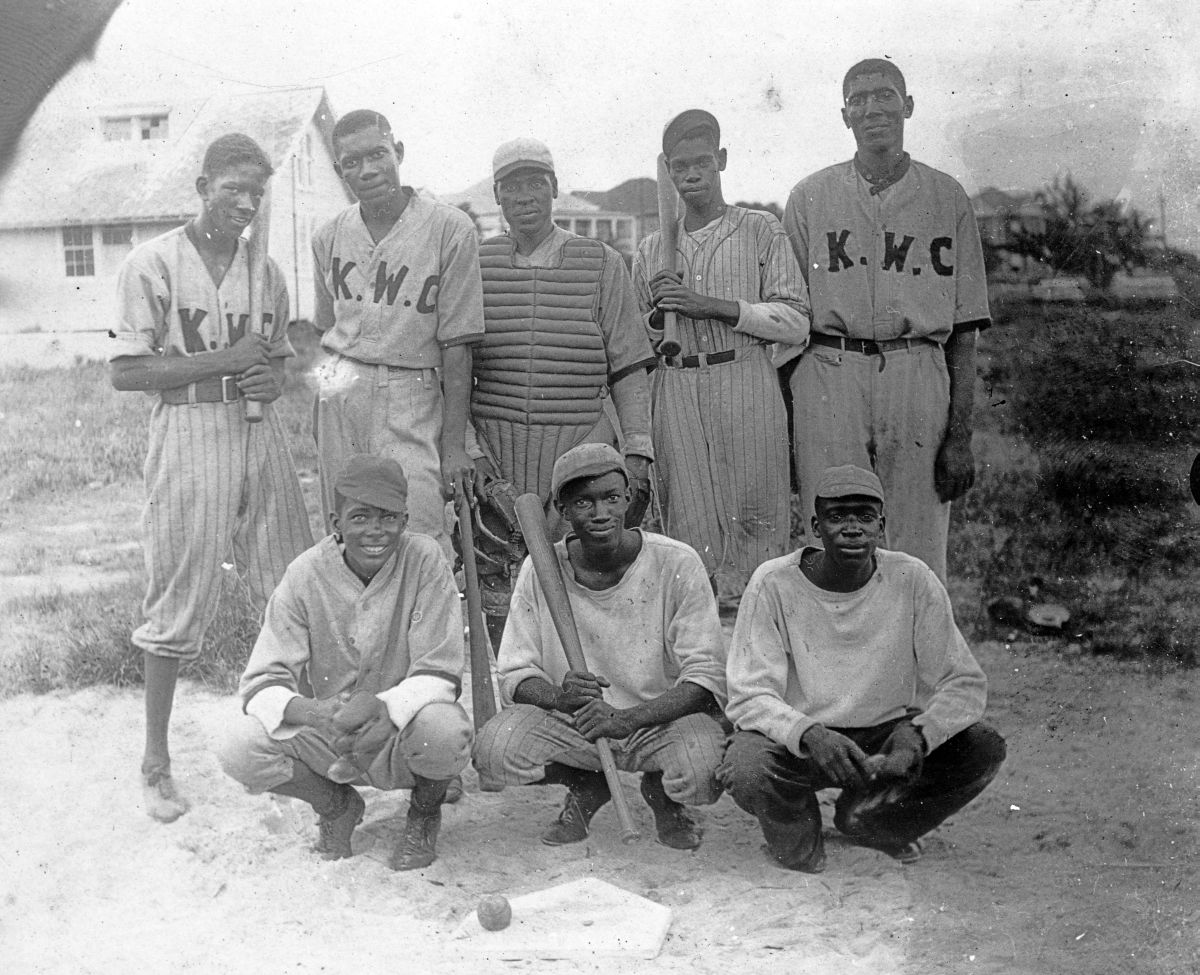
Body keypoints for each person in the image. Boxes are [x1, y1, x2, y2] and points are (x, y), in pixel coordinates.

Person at [109, 132, 313, 823]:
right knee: (176, 591)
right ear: (201, 188)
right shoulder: (153, 261)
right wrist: (225, 361)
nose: (245, 203)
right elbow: (127, 371)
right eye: (232, 188)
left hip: (259, 431)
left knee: (292, 583)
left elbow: (281, 367)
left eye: (256, 191)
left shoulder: (269, 271)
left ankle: (302, 739)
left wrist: (267, 375)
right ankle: (155, 762)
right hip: (189, 429)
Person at [719, 464, 1006, 873]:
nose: (852, 529)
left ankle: (872, 821)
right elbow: (748, 694)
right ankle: (798, 833)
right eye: (838, 517)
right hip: (802, 742)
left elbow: (964, 682)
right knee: (746, 766)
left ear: (881, 525)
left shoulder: (912, 578)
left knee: (981, 747)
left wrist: (917, 736)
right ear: (815, 527)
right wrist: (810, 733)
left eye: (865, 517)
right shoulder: (774, 583)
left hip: (884, 737)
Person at [782, 59, 990, 583]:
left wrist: (960, 436)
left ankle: (916, 663)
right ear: (845, 115)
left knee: (917, 545)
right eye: (858, 99)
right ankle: (835, 662)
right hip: (829, 365)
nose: (872, 108)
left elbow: (965, 329)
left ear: (908, 105)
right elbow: (786, 317)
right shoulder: (810, 196)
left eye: (885, 95)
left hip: (916, 366)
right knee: (830, 533)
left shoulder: (947, 196)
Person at [217, 454, 473, 871]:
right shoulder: (305, 573)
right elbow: (262, 680)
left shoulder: (425, 560)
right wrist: (316, 711)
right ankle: (336, 806)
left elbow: (440, 669)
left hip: (402, 730)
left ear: (405, 519)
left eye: (388, 517)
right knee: (238, 746)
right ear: (335, 522)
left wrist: (387, 707)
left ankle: (424, 814)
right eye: (360, 517)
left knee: (446, 729)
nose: (375, 531)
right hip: (332, 732)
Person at [473, 443, 727, 850]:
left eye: (611, 497)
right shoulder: (540, 566)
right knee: (494, 751)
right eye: (583, 502)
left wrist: (628, 721)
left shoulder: (676, 562)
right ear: (562, 508)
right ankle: (589, 785)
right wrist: (559, 697)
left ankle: (661, 794)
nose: (600, 513)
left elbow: (706, 677)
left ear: (628, 497)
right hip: (579, 723)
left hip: (657, 722)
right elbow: (516, 675)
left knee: (704, 771)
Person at [469, 137, 656, 646]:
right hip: (496, 447)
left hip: (578, 447)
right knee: (499, 591)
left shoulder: (599, 263)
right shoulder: (473, 263)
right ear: (496, 195)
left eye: (535, 182)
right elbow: (455, 368)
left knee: (585, 581)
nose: (525, 195)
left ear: (554, 187)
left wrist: (637, 449)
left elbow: (629, 366)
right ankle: (519, 704)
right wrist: (468, 451)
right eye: (512, 186)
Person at [633, 110, 810, 600]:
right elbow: (636, 344)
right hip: (676, 386)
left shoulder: (759, 229)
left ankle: (759, 656)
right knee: (687, 531)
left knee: (758, 521)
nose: (691, 175)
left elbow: (796, 321)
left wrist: (709, 306)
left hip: (744, 374)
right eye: (680, 166)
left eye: (702, 163)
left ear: (722, 161)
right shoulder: (651, 248)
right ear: (668, 172)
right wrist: (656, 314)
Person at [312, 109, 483, 553]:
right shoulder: (328, 234)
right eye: (352, 162)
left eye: (377, 155)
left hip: (411, 386)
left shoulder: (449, 228)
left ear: (398, 153)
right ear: (339, 170)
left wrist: (453, 445)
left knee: (420, 530)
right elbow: (324, 327)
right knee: (345, 532)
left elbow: (458, 347)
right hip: (342, 388)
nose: (366, 170)